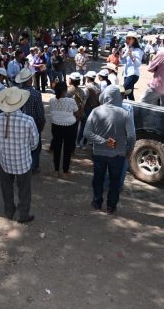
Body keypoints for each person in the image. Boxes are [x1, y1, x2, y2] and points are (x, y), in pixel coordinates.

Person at [84, 85, 136, 214]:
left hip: (99, 153)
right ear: (118, 97)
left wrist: (103, 142)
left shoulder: (95, 111)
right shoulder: (125, 113)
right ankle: (111, 206)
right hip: (118, 155)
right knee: (115, 181)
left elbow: (87, 133)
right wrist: (128, 152)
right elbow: (131, 136)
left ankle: (97, 203)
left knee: (98, 179)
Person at [0, 87, 39, 223]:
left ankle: (9, 211)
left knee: (7, 189)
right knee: (24, 190)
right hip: (23, 162)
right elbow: (34, 143)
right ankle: (23, 215)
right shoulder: (28, 120)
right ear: (21, 103)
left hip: (5, 161)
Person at [18, 68, 45, 173]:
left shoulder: (17, 92)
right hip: (34, 124)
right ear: (29, 80)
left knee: (23, 144)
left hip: (19, 123)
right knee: (35, 145)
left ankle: (25, 164)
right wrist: (41, 125)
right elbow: (40, 113)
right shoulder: (36, 94)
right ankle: (33, 166)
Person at [49, 82, 78, 177]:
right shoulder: (71, 101)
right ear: (65, 91)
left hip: (56, 125)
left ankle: (56, 170)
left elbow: (52, 111)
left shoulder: (52, 100)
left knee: (57, 148)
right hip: (69, 126)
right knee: (67, 149)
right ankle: (65, 171)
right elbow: (76, 112)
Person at [120, 31, 143, 101]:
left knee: (122, 91)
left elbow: (138, 64)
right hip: (126, 74)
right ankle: (133, 108)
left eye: (130, 38)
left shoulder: (138, 50)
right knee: (130, 94)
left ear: (134, 40)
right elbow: (123, 62)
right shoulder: (128, 49)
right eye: (127, 38)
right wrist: (121, 55)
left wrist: (131, 55)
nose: (127, 40)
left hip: (133, 74)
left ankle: (121, 107)